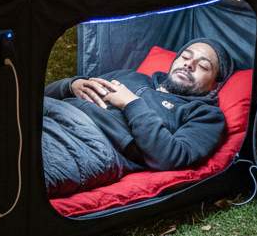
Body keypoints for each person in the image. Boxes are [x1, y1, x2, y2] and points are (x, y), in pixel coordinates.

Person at [42, 39, 233, 197]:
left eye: (203, 66)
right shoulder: (131, 76)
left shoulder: (205, 114)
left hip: (91, 143)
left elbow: (172, 157)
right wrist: (70, 85)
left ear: (215, 85)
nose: (189, 64)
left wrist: (131, 104)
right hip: (52, 112)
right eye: (185, 56)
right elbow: (43, 96)